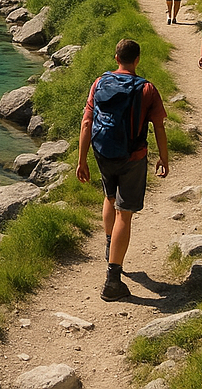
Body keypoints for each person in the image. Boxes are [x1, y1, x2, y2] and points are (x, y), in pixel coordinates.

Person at [77, 38, 169, 301]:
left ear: (116, 58)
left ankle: (110, 246)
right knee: (124, 214)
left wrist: (82, 160)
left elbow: (86, 123)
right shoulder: (147, 89)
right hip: (133, 156)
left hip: (103, 152)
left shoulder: (99, 82)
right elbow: (159, 127)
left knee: (109, 196)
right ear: (137, 60)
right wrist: (163, 158)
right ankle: (112, 281)